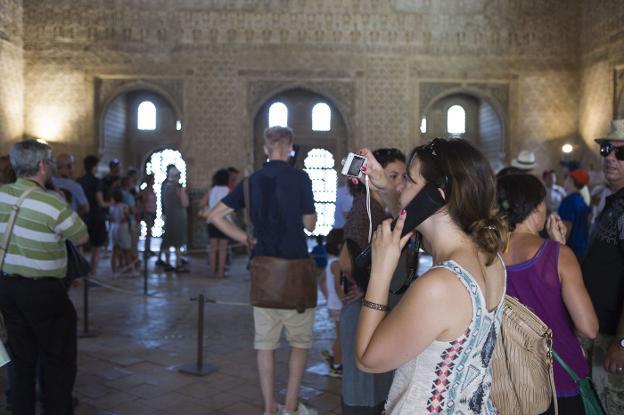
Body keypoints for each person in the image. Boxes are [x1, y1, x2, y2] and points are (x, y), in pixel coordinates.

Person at [355, 138, 508, 414]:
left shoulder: (439, 286)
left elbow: (368, 358)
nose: (400, 185)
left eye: (408, 180)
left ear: (436, 196)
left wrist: (380, 272)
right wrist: (387, 188)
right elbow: (420, 218)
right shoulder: (489, 258)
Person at [207, 126, 318, 415]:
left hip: (264, 270)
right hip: (296, 271)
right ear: (291, 148)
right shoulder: (301, 178)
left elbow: (215, 216)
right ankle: (291, 407)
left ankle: (270, 407)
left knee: (265, 345)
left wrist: (243, 237)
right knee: (299, 344)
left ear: (266, 150)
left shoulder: (250, 182)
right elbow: (310, 225)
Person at [497, 173, 598, 414]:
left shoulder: (488, 255)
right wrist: (561, 247)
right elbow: (589, 328)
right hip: (560, 376)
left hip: (511, 379)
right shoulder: (557, 255)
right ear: (537, 206)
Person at [0, 139, 88, 415]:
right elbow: (82, 236)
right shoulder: (51, 202)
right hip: (45, 293)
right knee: (57, 359)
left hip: (8, 288)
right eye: (49, 162)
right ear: (41, 166)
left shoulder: (1, 195)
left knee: (21, 358)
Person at [339, 147, 406, 415]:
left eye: (402, 177)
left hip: (379, 312)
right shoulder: (367, 211)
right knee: (365, 395)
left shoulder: (384, 210)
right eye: (392, 175)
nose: (397, 183)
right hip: (366, 315)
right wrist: (368, 288)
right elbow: (345, 260)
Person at [582, 119, 624, 412]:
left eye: (620, 153)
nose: (610, 156)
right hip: (601, 333)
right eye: (607, 149)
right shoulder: (613, 203)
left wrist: (622, 344)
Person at [77, 155, 109, 275]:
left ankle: (81, 271)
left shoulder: (79, 181)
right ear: (95, 166)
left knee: (81, 245)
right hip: (96, 216)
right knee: (97, 246)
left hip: (82, 216)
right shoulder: (97, 182)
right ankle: (92, 272)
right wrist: (111, 204)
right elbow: (100, 202)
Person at [320, 228, 345, 378]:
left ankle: (332, 354)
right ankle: (336, 365)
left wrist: (328, 297)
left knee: (339, 335)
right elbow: (338, 285)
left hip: (334, 305)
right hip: (339, 306)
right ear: (339, 246)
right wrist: (344, 301)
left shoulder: (331, 262)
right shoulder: (338, 264)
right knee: (341, 337)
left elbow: (321, 281)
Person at [161, 166, 189, 273]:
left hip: (169, 216)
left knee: (168, 240)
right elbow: (185, 203)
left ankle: (168, 263)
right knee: (178, 241)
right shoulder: (179, 188)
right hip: (179, 217)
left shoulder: (166, 187)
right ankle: (178, 264)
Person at [559, 168, 591, 260]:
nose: (565, 181)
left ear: (572, 181)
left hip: (570, 249)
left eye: (567, 178)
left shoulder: (568, 201)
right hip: (581, 249)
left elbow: (565, 230)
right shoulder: (582, 201)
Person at [205, 168, 231, 278]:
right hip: (225, 222)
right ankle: (220, 272)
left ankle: (212, 271)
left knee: (213, 248)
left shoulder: (212, 190)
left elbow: (203, 202)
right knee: (222, 249)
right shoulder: (227, 190)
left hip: (212, 221)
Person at [109, 189, 132, 274]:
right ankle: (130, 269)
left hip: (114, 227)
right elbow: (126, 217)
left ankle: (114, 270)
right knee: (127, 250)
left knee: (114, 250)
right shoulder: (124, 206)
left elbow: (111, 218)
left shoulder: (112, 207)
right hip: (123, 227)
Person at [138, 174, 157, 255]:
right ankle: (146, 250)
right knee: (148, 232)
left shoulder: (152, 190)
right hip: (147, 212)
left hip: (152, 212)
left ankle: (148, 248)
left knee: (150, 232)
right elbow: (143, 201)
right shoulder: (145, 190)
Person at [311, 235, 329, 301]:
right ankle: (325, 297)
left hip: (318, 267)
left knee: (318, 282)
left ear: (316, 241)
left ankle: (318, 297)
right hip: (325, 267)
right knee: (323, 282)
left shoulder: (315, 248)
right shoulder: (325, 248)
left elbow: (311, 256)